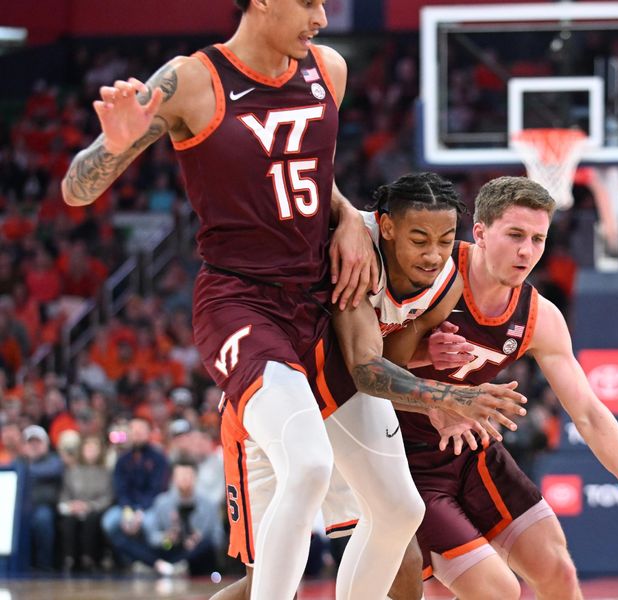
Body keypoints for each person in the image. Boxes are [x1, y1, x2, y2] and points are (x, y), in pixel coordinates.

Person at [61, 1, 376, 596]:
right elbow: (77, 188)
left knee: (395, 511)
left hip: (319, 304)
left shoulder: (328, 69)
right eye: (309, 2)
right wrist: (112, 147)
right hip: (240, 302)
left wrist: (352, 214)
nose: (323, 17)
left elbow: (308, 170)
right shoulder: (191, 81)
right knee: (307, 465)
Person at [211, 172, 526, 600]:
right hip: (282, 392)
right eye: (420, 240)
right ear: (388, 227)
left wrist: (430, 370)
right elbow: (367, 367)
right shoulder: (355, 253)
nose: (434, 254)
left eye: (445, 239)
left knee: (401, 524)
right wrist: (448, 396)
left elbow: (390, 362)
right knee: (259, 581)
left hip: (343, 398)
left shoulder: (446, 280)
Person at [383, 176, 618, 599]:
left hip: (473, 452)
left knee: (557, 570)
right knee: (497, 591)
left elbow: (587, 411)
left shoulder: (538, 316)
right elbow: (358, 358)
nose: (526, 251)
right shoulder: (430, 271)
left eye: (537, 239)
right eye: (514, 235)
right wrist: (419, 356)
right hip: (405, 461)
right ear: (480, 232)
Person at [101, 417, 169, 568]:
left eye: (141, 430)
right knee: (108, 522)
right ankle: (130, 560)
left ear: (148, 433)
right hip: (126, 506)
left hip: (151, 506)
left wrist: (140, 511)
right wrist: (127, 509)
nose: (137, 434)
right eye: (133, 430)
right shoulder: (122, 459)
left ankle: (152, 561)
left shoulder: (158, 458)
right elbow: (120, 489)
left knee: (149, 525)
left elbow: (157, 489)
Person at [142, 458, 224, 576]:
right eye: (180, 475)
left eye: (188, 475)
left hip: (198, 555)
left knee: (207, 545)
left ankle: (177, 566)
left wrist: (199, 538)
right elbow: (152, 537)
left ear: (196, 477)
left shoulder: (208, 504)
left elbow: (219, 536)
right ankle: (175, 565)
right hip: (171, 549)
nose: (184, 479)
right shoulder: (162, 502)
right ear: (173, 479)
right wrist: (167, 538)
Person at [58, 435, 113, 573]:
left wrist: (90, 506)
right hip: (74, 508)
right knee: (68, 521)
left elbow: (108, 497)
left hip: (95, 510)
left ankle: (89, 558)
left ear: (101, 451)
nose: (90, 452)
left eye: (94, 449)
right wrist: (70, 506)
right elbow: (64, 495)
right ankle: (69, 558)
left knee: (92, 520)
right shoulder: (72, 471)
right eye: (88, 448)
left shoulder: (105, 472)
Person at [21, 424, 64, 572]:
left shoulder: (54, 460)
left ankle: (43, 565)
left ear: (46, 444)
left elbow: (53, 470)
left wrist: (25, 470)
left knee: (42, 519)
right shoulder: (19, 462)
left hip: (44, 506)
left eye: (37, 442)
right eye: (30, 442)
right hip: (21, 508)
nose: (34, 446)